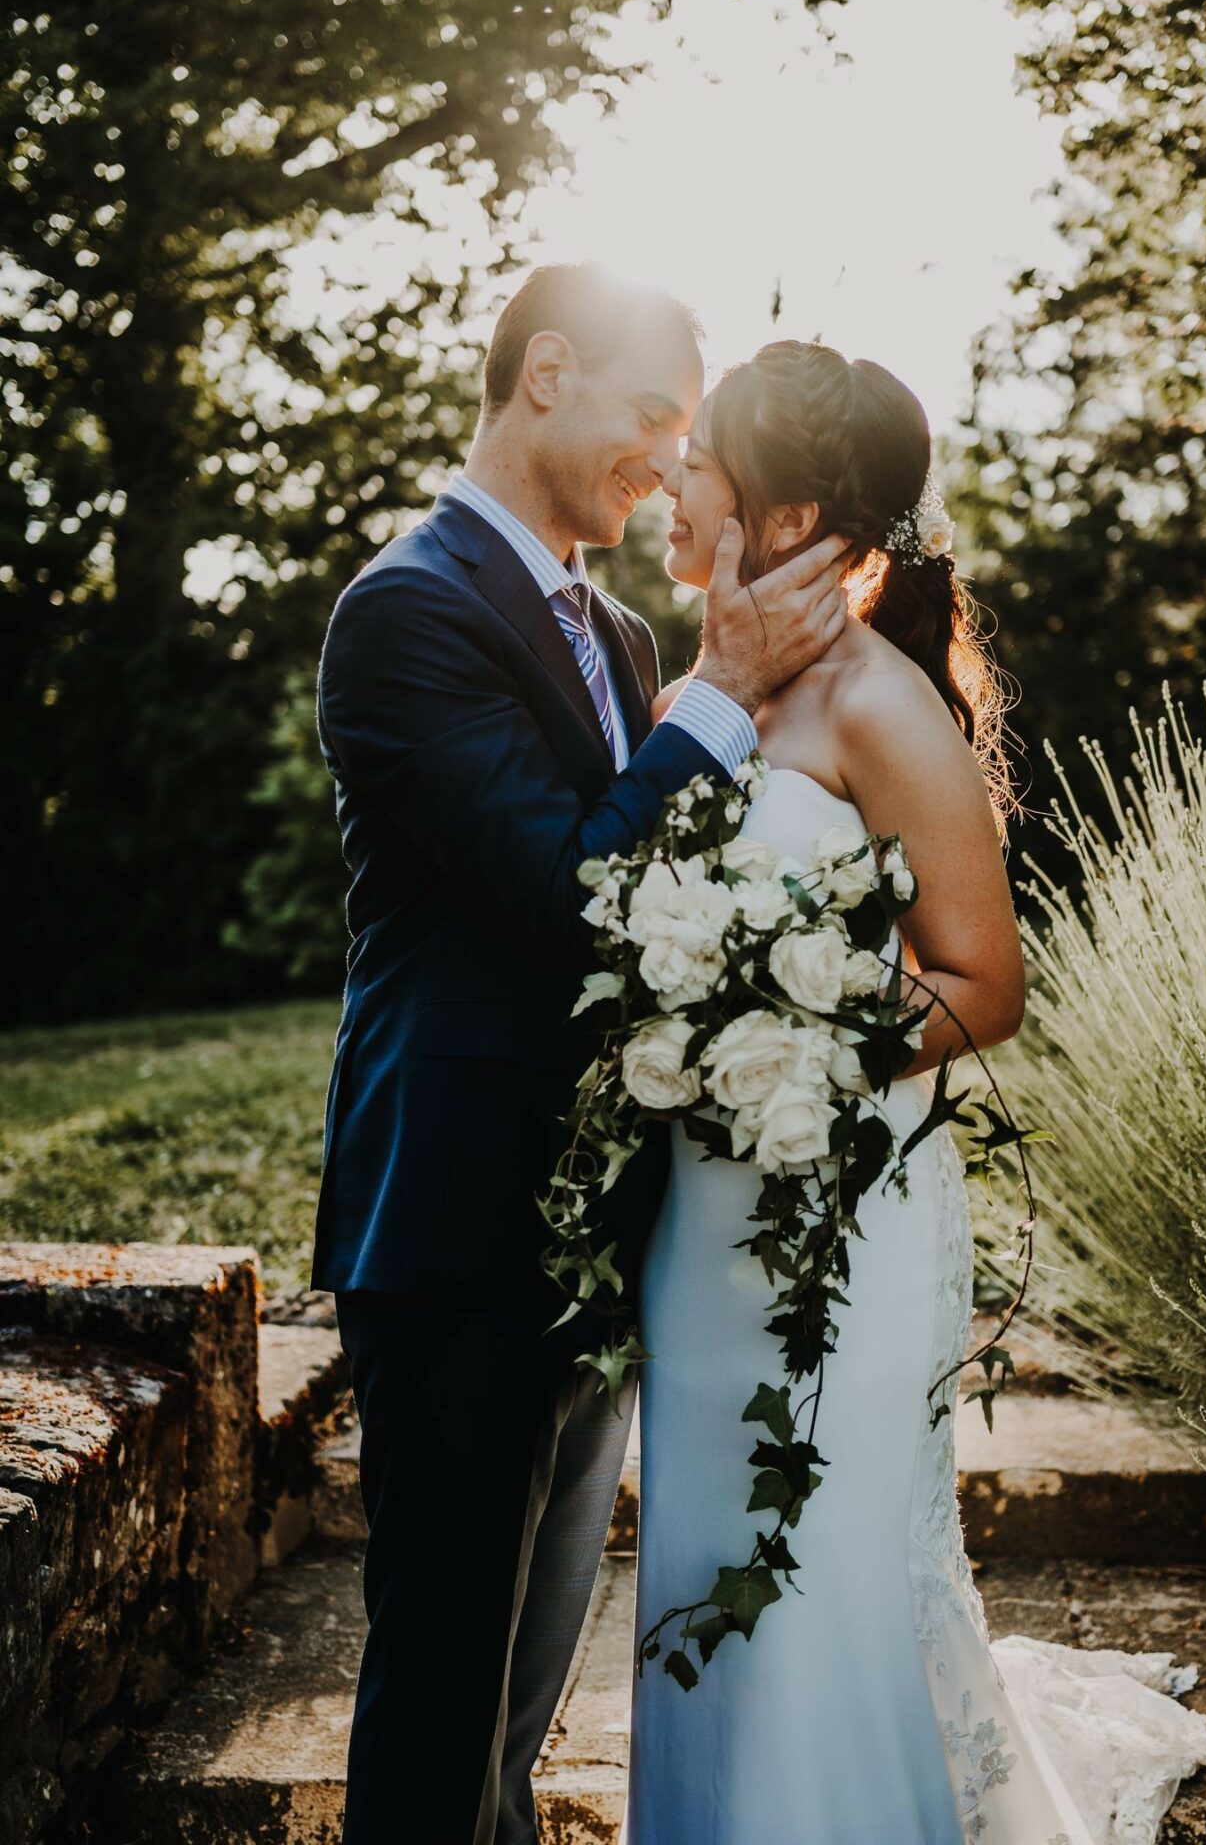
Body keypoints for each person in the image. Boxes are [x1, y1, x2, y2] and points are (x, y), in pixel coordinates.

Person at [626, 339, 1206, 1845]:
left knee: (813, 1543)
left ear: (782, 514)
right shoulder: (696, 686)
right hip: (698, 1212)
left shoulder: (880, 707)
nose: (671, 479)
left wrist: (791, 1056)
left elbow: (982, 981)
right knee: (707, 1531)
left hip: (837, 1203)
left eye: (700, 459)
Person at [309, 267, 853, 1845]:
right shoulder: (403, 608)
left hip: (595, 1235)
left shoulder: (615, 630)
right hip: (455, 1220)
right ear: (544, 374)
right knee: (439, 1697)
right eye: (650, 418)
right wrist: (728, 695)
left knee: (519, 1705)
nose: (671, 464)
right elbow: (573, 893)